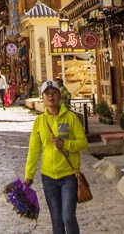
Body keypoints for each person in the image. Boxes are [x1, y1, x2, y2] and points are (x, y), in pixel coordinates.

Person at [24, 80, 88, 234]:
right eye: (47, 93)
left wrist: (65, 144)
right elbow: (33, 150)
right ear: (43, 98)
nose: (50, 96)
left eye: (54, 93)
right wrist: (28, 176)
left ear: (59, 96)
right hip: (48, 177)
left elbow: (83, 143)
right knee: (56, 220)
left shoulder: (71, 118)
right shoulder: (39, 122)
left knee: (68, 217)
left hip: (69, 176)